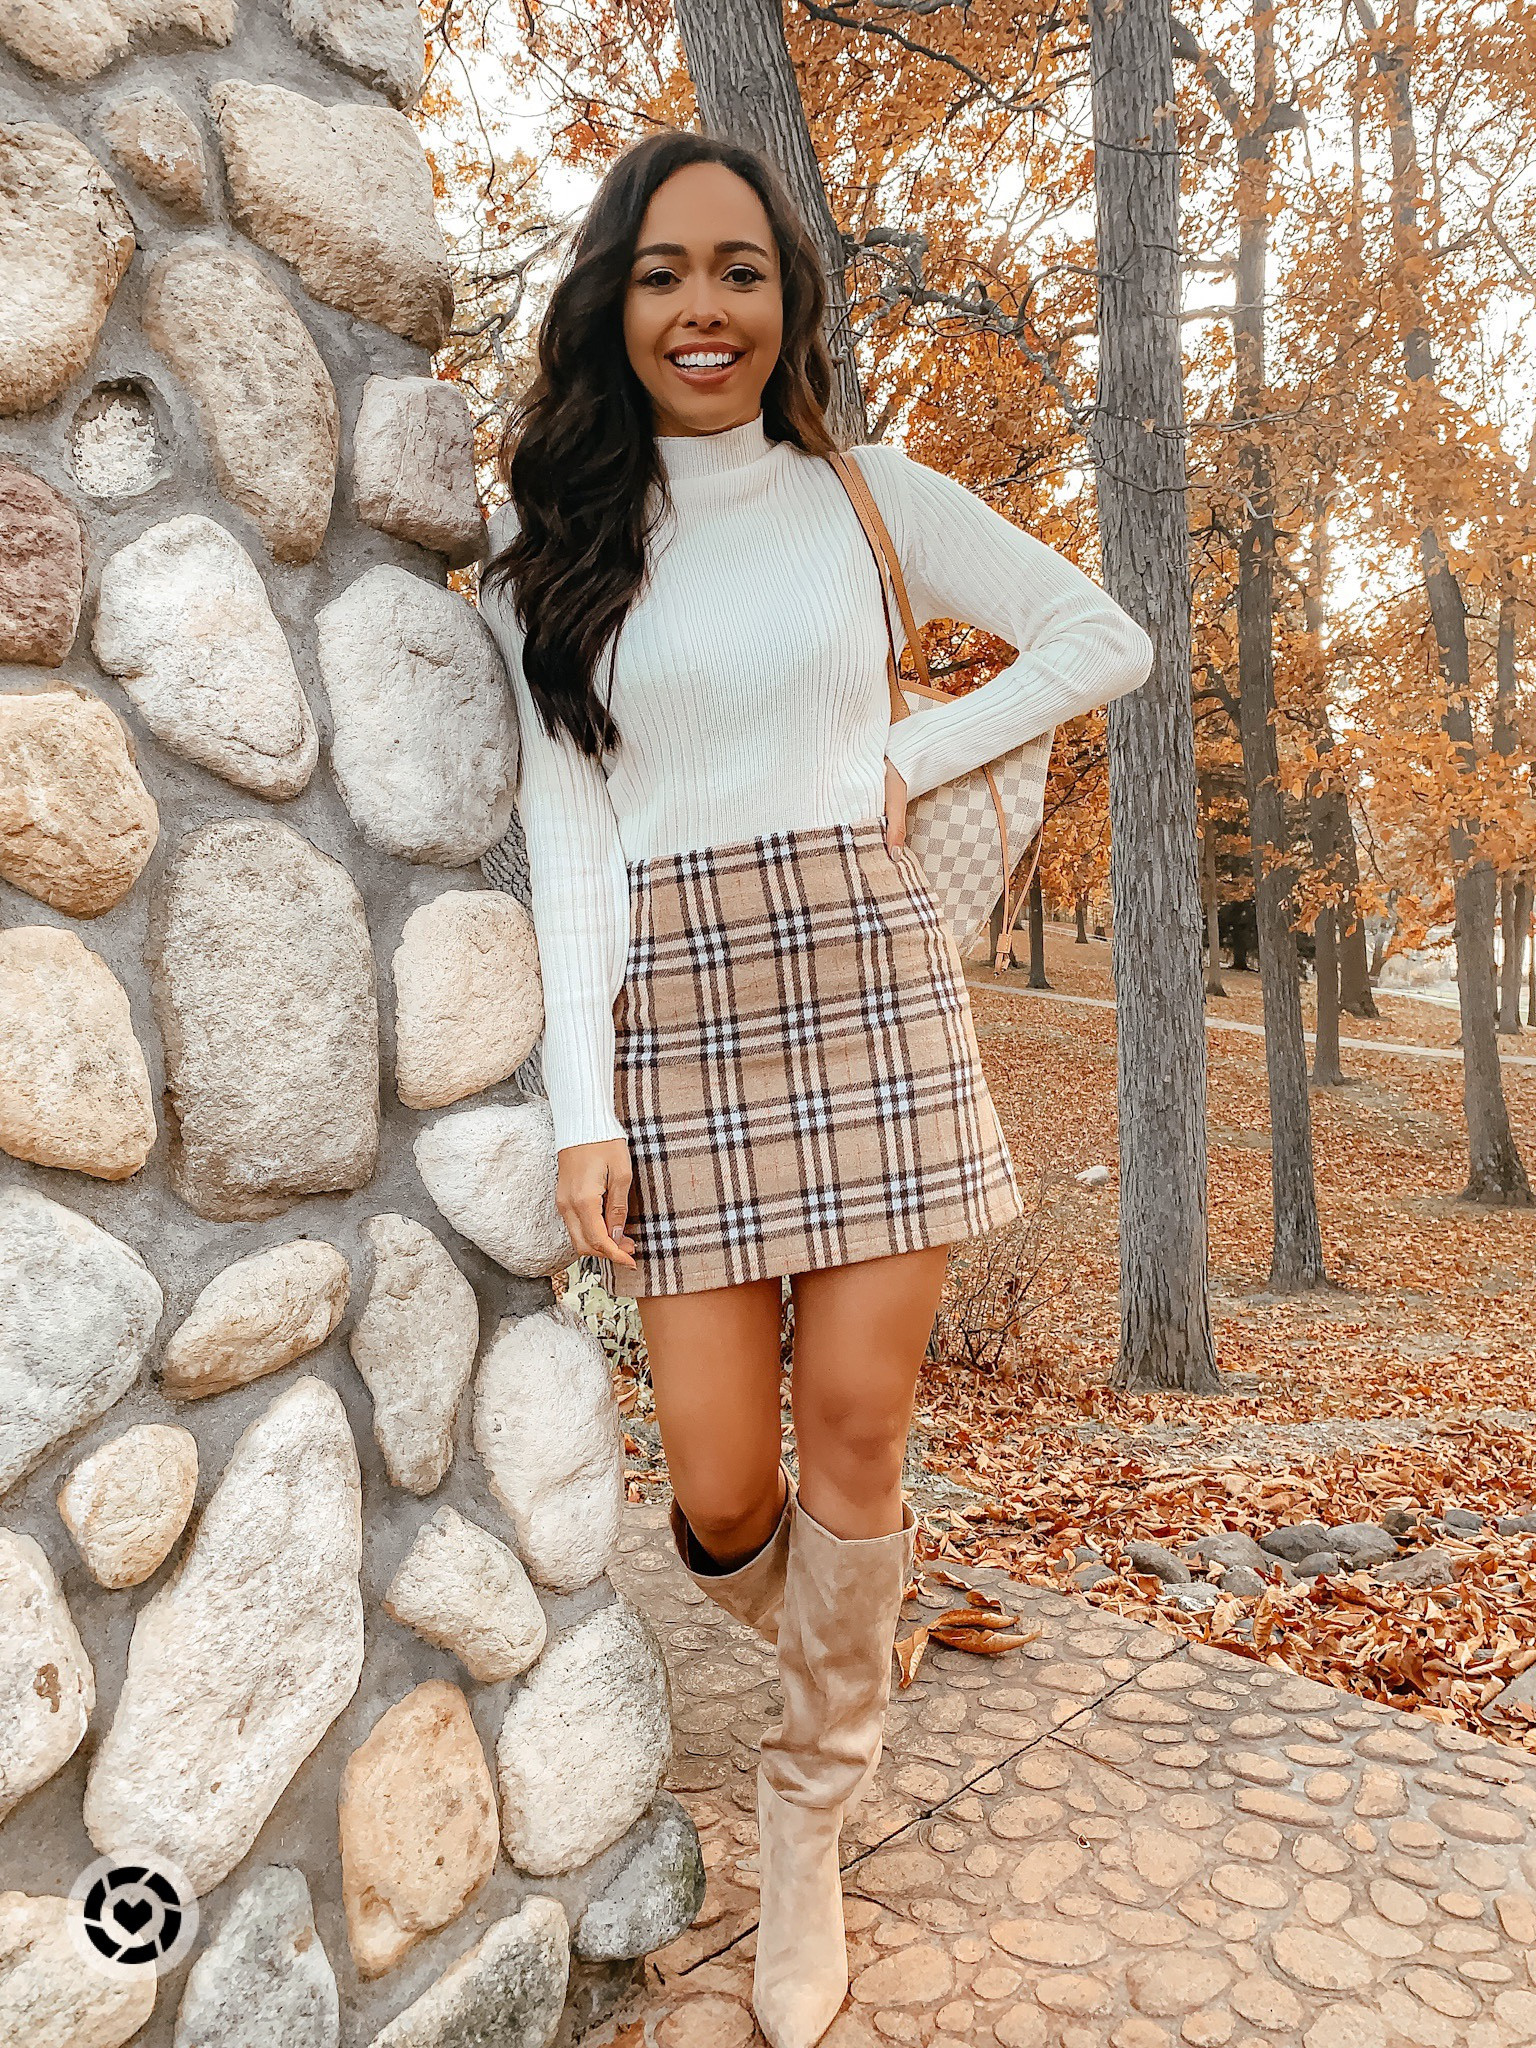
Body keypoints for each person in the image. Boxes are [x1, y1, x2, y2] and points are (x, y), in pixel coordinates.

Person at [478, 128, 1152, 2048]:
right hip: (675, 1002)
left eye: (744, 271)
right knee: (711, 1487)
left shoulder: (870, 498)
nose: (707, 306)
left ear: (789, 301)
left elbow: (1109, 638)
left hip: (861, 985)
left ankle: (807, 1809)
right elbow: (571, 842)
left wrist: (924, 746)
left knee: (856, 1422)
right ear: (616, 298)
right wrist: (585, 1099)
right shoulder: (559, 557)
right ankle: (856, 1647)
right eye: (668, 271)